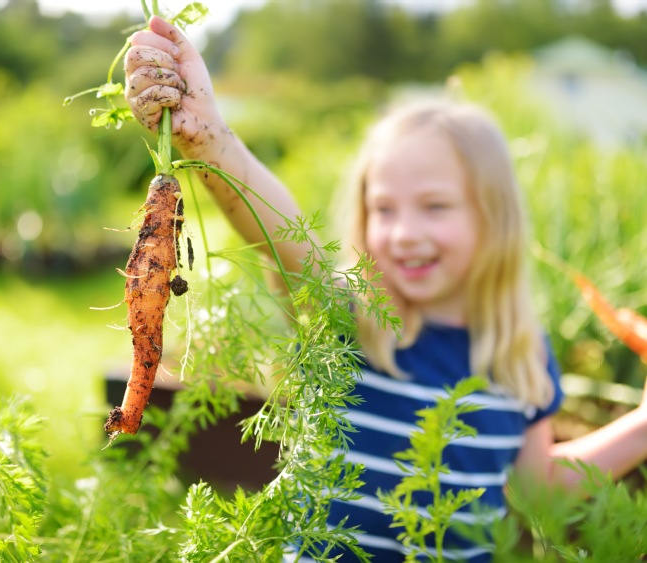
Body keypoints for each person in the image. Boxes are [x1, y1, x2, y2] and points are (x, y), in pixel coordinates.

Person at [124, 16, 647, 562]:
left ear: (495, 220)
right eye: (384, 209)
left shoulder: (522, 353)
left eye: (435, 207)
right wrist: (211, 139)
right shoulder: (349, 321)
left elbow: (538, 489)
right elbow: (281, 237)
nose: (402, 233)